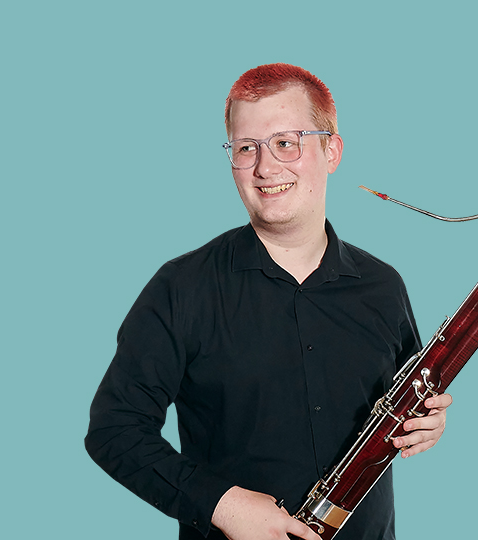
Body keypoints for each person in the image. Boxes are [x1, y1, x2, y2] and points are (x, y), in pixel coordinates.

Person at [85, 63, 452, 540]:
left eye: (285, 142)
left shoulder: (384, 286)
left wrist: (428, 422)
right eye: (246, 147)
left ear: (331, 151)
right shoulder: (181, 287)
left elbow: (409, 401)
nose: (265, 167)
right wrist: (221, 504)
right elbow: (114, 430)